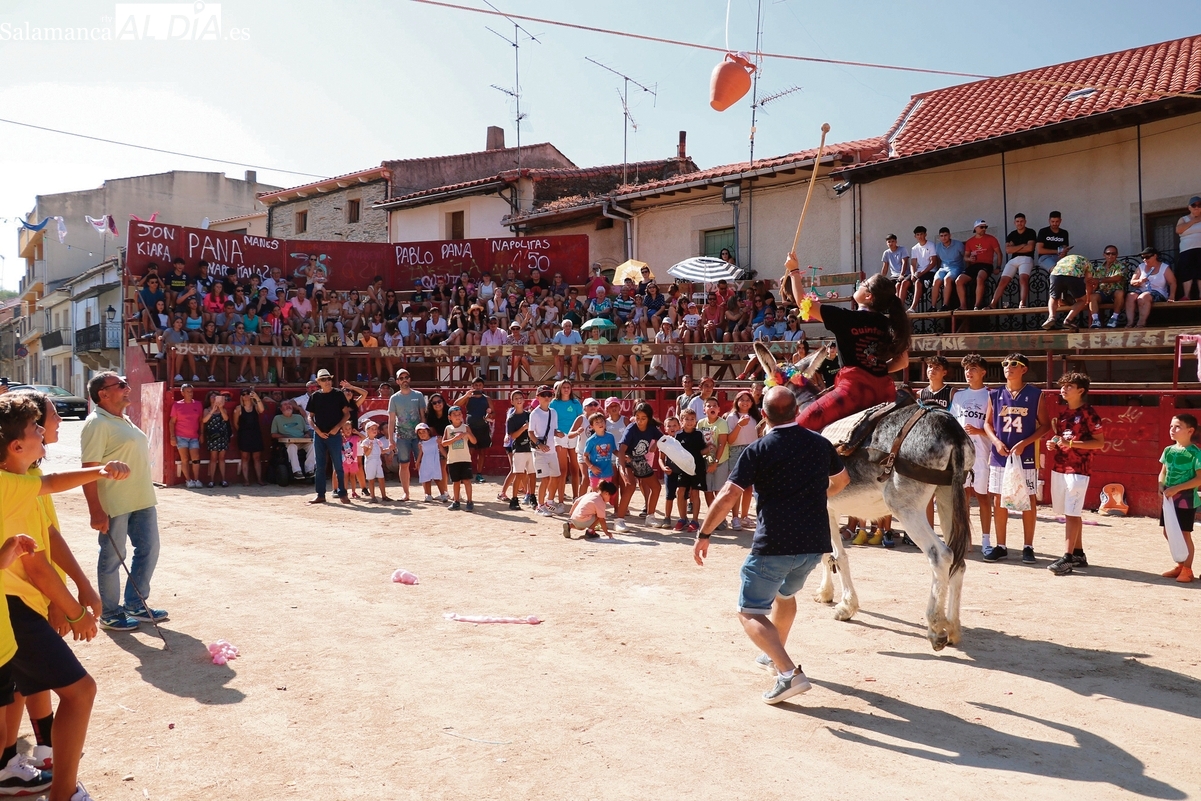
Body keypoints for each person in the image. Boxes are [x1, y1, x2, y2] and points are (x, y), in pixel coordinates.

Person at [1, 392, 133, 801]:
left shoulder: (18, 481)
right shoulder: (10, 487)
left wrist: (100, 471)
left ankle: (34, 767)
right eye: (36, 427)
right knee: (80, 691)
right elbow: (37, 565)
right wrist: (75, 612)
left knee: (23, 691)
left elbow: (51, 486)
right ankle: (62, 793)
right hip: (14, 608)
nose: (44, 428)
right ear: (16, 446)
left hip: (19, 606)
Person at [694, 385, 850, 704]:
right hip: (813, 543)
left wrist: (704, 532)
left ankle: (788, 673)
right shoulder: (820, 443)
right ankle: (773, 653)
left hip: (775, 542)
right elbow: (843, 481)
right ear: (797, 411)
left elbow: (728, 495)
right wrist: (819, 494)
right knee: (785, 595)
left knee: (749, 612)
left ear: (763, 415)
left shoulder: (759, 449)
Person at [78, 372, 168, 632]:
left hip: (142, 499)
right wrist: (95, 511)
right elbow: (88, 470)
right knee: (112, 558)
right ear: (103, 394)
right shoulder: (97, 423)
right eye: (121, 385)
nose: (128, 388)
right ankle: (110, 613)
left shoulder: (122, 419)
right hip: (114, 503)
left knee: (149, 550)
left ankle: (135, 604)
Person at [785, 272, 910, 431]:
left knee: (797, 427)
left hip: (853, 392)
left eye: (864, 283)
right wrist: (874, 370)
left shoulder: (845, 318)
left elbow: (804, 304)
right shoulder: (890, 324)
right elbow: (903, 362)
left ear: (868, 296)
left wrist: (794, 272)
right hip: (885, 393)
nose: (861, 283)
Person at [983, 353, 1050, 564]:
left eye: (1014, 364)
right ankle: (1001, 546)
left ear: (1024, 369)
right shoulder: (994, 394)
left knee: (1029, 498)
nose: (1008, 367)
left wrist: (1025, 443)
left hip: (1025, 454)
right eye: (1005, 363)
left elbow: (1046, 425)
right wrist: (995, 441)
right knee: (998, 498)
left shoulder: (1035, 394)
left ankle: (1028, 546)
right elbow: (987, 424)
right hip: (1001, 454)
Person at [1044, 373, 1105, 576]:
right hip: (1060, 466)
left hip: (1079, 468)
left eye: (1069, 386)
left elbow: (1099, 443)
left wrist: (1069, 443)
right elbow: (1061, 438)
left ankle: (1067, 558)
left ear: (1081, 390)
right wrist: (1053, 444)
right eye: (1063, 385)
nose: (1064, 389)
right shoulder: (1063, 414)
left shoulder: (1089, 413)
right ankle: (1078, 553)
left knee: (1071, 512)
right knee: (1071, 511)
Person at [949, 354, 993, 551]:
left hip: (982, 454)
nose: (969, 372)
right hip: (961, 455)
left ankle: (986, 540)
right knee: (963, 497)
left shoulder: (991, 395)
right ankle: (964, 538)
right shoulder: (959, 396)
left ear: (983, 372)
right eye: (967, 369)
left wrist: (979, 431)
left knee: (983, 497)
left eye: (973, 368)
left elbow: (995, 427)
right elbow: (952, 422)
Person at [1159, 413, 1201, 583]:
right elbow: (1163, 472)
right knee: (1168, 531)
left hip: (1186, 500)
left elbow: (1199, 479)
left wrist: (1177, 488)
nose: (1172, 429)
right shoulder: (1168, 450)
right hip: (1169, 499)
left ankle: (1187, 569)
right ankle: (1180, 565)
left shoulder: (1195, 453)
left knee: (1184, 534)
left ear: (1190, 431)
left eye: (1177, 427)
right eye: (1171, 426)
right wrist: (1161, 485)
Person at [306, 368, 352, 505]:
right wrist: (317, 430)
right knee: (320, 466)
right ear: (319, 382)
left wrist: (337, 427)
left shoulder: (338, 394)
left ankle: (342, 493)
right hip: (319, 435)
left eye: (328, 379)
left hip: (334, 434)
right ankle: (320, 494)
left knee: (338, 465)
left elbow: (347, 414)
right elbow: (310, 416)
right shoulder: (315, 396)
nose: (327, 381)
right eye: (324, 379)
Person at [618, 402, 663, 531]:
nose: (639, 421)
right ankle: (619, 521)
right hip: (625, 458)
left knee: (656, 487)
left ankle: (650, 517)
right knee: (630, 485)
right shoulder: (631, 428)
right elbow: (621, 450)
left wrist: (656, 445)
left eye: (643, 418)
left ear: (648, 418)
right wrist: (622, 468)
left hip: (639, 459)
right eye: (637, 417)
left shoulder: (652, 428)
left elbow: (664, 439)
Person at [387, 369, 425, 501]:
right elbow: (391, 420)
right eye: (401, 378)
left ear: (409, 379)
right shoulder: (394, 398)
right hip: (402, 436)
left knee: (422, 463)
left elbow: (423, 416)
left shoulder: (418, 395)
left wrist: (424, 435)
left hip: (418, 435)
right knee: (404, 464)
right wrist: (391, 439)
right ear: (397, 381)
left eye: (406, 377)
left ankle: (427, 492)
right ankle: (406, 493)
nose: (404, 380)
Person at [669, 408, 707, 533]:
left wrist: (709, 449)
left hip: (697, 468)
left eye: (692, 419)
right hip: (683, 468)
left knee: (695, 493)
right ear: (681, 421)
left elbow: (702, 451)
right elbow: (674, 452)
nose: (690, 421)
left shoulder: (699, 434)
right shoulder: (678, 435)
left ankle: (695, 521)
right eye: (687, 419)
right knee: (680, 491)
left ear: (696, 421)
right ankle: (682, 518)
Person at [990, 213, 1038, 309]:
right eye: (1017, 221)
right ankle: (992, 304)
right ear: (1014, 223)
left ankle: (1022, 303)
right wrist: (1023, 245)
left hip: (1026, 258)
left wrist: (1015, 248)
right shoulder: (1012, 234)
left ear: (1025, 222)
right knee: (1003, 281)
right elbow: (1008, 250)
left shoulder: (1030, 232)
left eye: (1021, 221)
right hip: (1013, 260)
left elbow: (1030, 248)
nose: (1019, 223)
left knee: (1023, 279)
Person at [698, 397, 731, 527]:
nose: (712, 407)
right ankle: (713, 517)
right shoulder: (700, 423)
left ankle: (721, 519)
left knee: (719, 491)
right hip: (705, 462)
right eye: (709, 406)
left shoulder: (722, 423)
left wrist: (716, 462)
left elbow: (722, 444)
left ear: (719, 409)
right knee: (707, 490)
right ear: (704, 410)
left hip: (720, 461)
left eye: (714, 405)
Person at [1124, 247, 1177, 327]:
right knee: (1130, 296)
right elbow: (1132, 282)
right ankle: (1129, 323)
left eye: (1147, 257)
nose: (1144, 260)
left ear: (1155, 256)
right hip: (1141, 290)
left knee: (1143, 297)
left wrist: (1171, 296)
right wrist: (1140, 281)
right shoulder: (1141, 267)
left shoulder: (1164, 267)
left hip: (1158, 292)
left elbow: (1172, 282)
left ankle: (1141, 323)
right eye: (1143, 257)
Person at [454, 377, 493, 484]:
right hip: (470, 429)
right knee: (468, 452)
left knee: (482, 452)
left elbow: (493, 413)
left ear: (483, 386)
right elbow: (455, 405)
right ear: (472, 386)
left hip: (483, 428)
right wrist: (466, 395)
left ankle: (479, 474)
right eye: (475, 385)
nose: (478, 387)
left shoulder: (487, 399)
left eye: (480, 385)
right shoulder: (468, 398)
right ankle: (465, 474)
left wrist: (489, 415)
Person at [1041, 254, 1095, 331]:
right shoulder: (1087, 262)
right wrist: (1088, 299)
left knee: (1053, 298)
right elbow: (1088, 282)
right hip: (1073, 274)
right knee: (1081, 301)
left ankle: (1051, 317)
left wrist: (1059, 300)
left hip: (1055, 274)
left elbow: (1061, 282)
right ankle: (1068, 320)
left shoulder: (1064, 260)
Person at [960, 220, 1002, 310]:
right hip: (974, 265)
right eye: (981, 227)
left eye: (985, 227)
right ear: (975, 228)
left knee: (979, 278)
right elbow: (965, 257)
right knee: (959, 280)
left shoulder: (991, 239)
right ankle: (963, 306)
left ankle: (977, 305)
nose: (984, 229)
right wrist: (969, 259)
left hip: (986, 264)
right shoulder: (970, 241)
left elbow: (999, 253)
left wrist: (998, 267)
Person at [169, 384, 204, 488]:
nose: (190, 393)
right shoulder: (177, 405)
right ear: (182, 393)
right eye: (188, 392)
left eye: (191, 391)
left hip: (194, 436)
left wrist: (202, 434)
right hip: (181, 436)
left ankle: (196, 479)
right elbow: (172, 422)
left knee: (196, 457)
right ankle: (188, 480)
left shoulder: (198, 404)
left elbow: (201, 421)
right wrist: (172, 436)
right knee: (184, 458)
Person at [506, 390, 536, 510]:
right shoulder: (511, 419)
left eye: (520, 398)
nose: (519, 400)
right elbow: (513, 436)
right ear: (512, 402)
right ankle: (514, 499)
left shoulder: (529, 415)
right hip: (519, 449)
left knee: (532, 474)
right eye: (516, 398)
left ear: (524, 400)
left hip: (531, 448)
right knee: (519, 474)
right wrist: (523, 428)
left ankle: (532, 496)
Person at [443, 405, 476, 512]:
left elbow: (474, 441)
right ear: (449, 417)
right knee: (456, 482)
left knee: (466, 480)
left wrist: (467, 434)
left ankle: (469, 501)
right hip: (453, 460)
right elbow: (443, 443)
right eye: (454, 415)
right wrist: (454, 439)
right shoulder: (448, 429)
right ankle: (456, 501)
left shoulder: (465, 427)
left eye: (459, 414)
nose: (457, 416)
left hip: (465, 459)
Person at [270, 399, 313, 480]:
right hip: (288, 443)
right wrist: (286, 437)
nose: (288, 406)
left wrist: (307, 434)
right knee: (292, 446)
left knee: (312, 446)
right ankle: (297, 471)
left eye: (289, 404)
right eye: (285, 404)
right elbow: (273, 434)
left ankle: (309, 470)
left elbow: (306, 431)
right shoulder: (277, 418)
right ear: (281, 409)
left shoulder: (299, 417)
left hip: (302, 441)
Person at [1088, 245, 1129, 328]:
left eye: (1113, 254)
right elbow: (1095, 283)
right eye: (1108, 253)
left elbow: (1117, 278)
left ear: (1117, 255)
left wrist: (1099, 280)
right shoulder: (1099, 268)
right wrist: (1092, 287)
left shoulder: (1121, 266)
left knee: (1119, 293)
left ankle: (1114, 318)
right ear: (1104, 255)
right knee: (1092, 296)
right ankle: (1095, 320)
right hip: (1102, 292)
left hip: (1115, 291)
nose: (1110, 255)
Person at [234, 388, 266, 486]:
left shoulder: (255, 406)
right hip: (244, 435)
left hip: (255, 434)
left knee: (257, 458)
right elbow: (235, 423)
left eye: (248, 393)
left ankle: (259, 479)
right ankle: (246, 480)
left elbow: (262, 410)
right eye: (243, 394)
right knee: (245, 458)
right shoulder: (239, 408)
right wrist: (242, 432)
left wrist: (257, 397)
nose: (246, 395)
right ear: (241, 397)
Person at [930, 227, 965, 310]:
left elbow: (965, 256)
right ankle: (933, 306)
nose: (944, 238)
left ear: (950, 235)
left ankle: (945, 305)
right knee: (936, 280)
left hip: (956, 267)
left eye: (945, 235)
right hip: (943, 268)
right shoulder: (938, 247)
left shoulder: (958, 244)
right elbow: (938, 259)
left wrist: (966, 270)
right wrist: (938, 268)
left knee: (947, 279)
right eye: (941, 236)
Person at [202, 391, 231, 488]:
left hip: (222, 436)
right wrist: (212, 410)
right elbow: (204, 420)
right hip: (212, 436)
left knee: (222, 458)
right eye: (212, 397)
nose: (214, 398)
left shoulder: (223, 409)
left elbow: (226, 419)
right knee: (213, 458)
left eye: (216, 397)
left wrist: (220, 408)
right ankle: (211, 480)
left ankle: (223, 479)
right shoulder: (207, 410)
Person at [582, 413, 617, 490]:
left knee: (606, 493)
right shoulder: (591, 440)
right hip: (595, 473)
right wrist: (591, 467)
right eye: (597, 423)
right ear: (592, 426)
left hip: (607, 472)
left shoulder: (610, 437)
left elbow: (614, 450)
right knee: (595, 493)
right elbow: (585, 456)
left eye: (602, 421)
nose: (600, 424)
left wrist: (623, 456)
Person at [906, 226, 938, 312]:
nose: (920, 236)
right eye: (918, 234)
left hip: (930, 271)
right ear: (915, 236)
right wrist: (913, 274)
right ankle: (899, 309)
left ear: (925, 234)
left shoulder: (931, 245)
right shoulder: (914, 248)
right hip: (918, 272)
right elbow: (913, 263)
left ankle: (913, 308)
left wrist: (920, 273)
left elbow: (933, 262)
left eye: (921, 234)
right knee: (904, 283)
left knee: (918, 282)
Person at [1176, 196, 1201, 300]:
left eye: (1199, 205)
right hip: (1186, 250)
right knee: (1187, 273)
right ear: (1189, 207)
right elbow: (1179, 230)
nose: (1197, 207)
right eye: (1194, 205)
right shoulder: (1183, 219)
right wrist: (1193, 221)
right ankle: (1187, 295)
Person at [414, 423, 447, 503]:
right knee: (427, 480)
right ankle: (428, 495)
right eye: (420, 433)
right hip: (426, 463)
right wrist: (417, 462)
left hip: (435, 463)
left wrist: (447, 457)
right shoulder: (421, 443)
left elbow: (441, 449)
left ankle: (443, 495)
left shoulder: (435, 439)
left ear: (428, 431)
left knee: (437, 479)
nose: (422, 434)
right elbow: (421, 453)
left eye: (424, 431)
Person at [880, 234, 910, 302]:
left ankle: (899, 305)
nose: (891, 243)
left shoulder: (902, 249)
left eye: (892, 241)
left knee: (899, 285)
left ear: (896, 242)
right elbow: (885, 267)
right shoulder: (886, 253)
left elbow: (904, 262)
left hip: (905, 274)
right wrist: (881, 278)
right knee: (887, 287)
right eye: (889, 242)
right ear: (886, 243)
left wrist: (902, 275)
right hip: (894, 276)